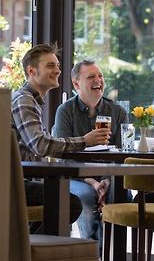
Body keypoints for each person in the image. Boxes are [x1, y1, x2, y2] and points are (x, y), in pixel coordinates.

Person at [11, 44, 112, 225]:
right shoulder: (24, 100)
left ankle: (28, 251)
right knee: (70, 203)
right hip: (11, 183)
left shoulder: (31, 100)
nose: (57, 70)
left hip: (19, 179)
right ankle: (29, 252)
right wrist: (85, 141)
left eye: (57, 65)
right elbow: (41, 145)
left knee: (58, 202)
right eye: (50, 66)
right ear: (31, 71)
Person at [52, 59, 128, 252]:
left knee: (119, 193)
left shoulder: (117, 111)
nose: (98, 81)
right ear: (76, 84)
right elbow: (63, 156)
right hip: (77, 177)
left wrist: (107, 180)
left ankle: (114, 258)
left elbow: (122, 154)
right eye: (91, 77)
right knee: (86, 197)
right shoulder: (65, 111)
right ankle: (93, 256)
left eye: (100, 76)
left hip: (110, 176)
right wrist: (93, 182)